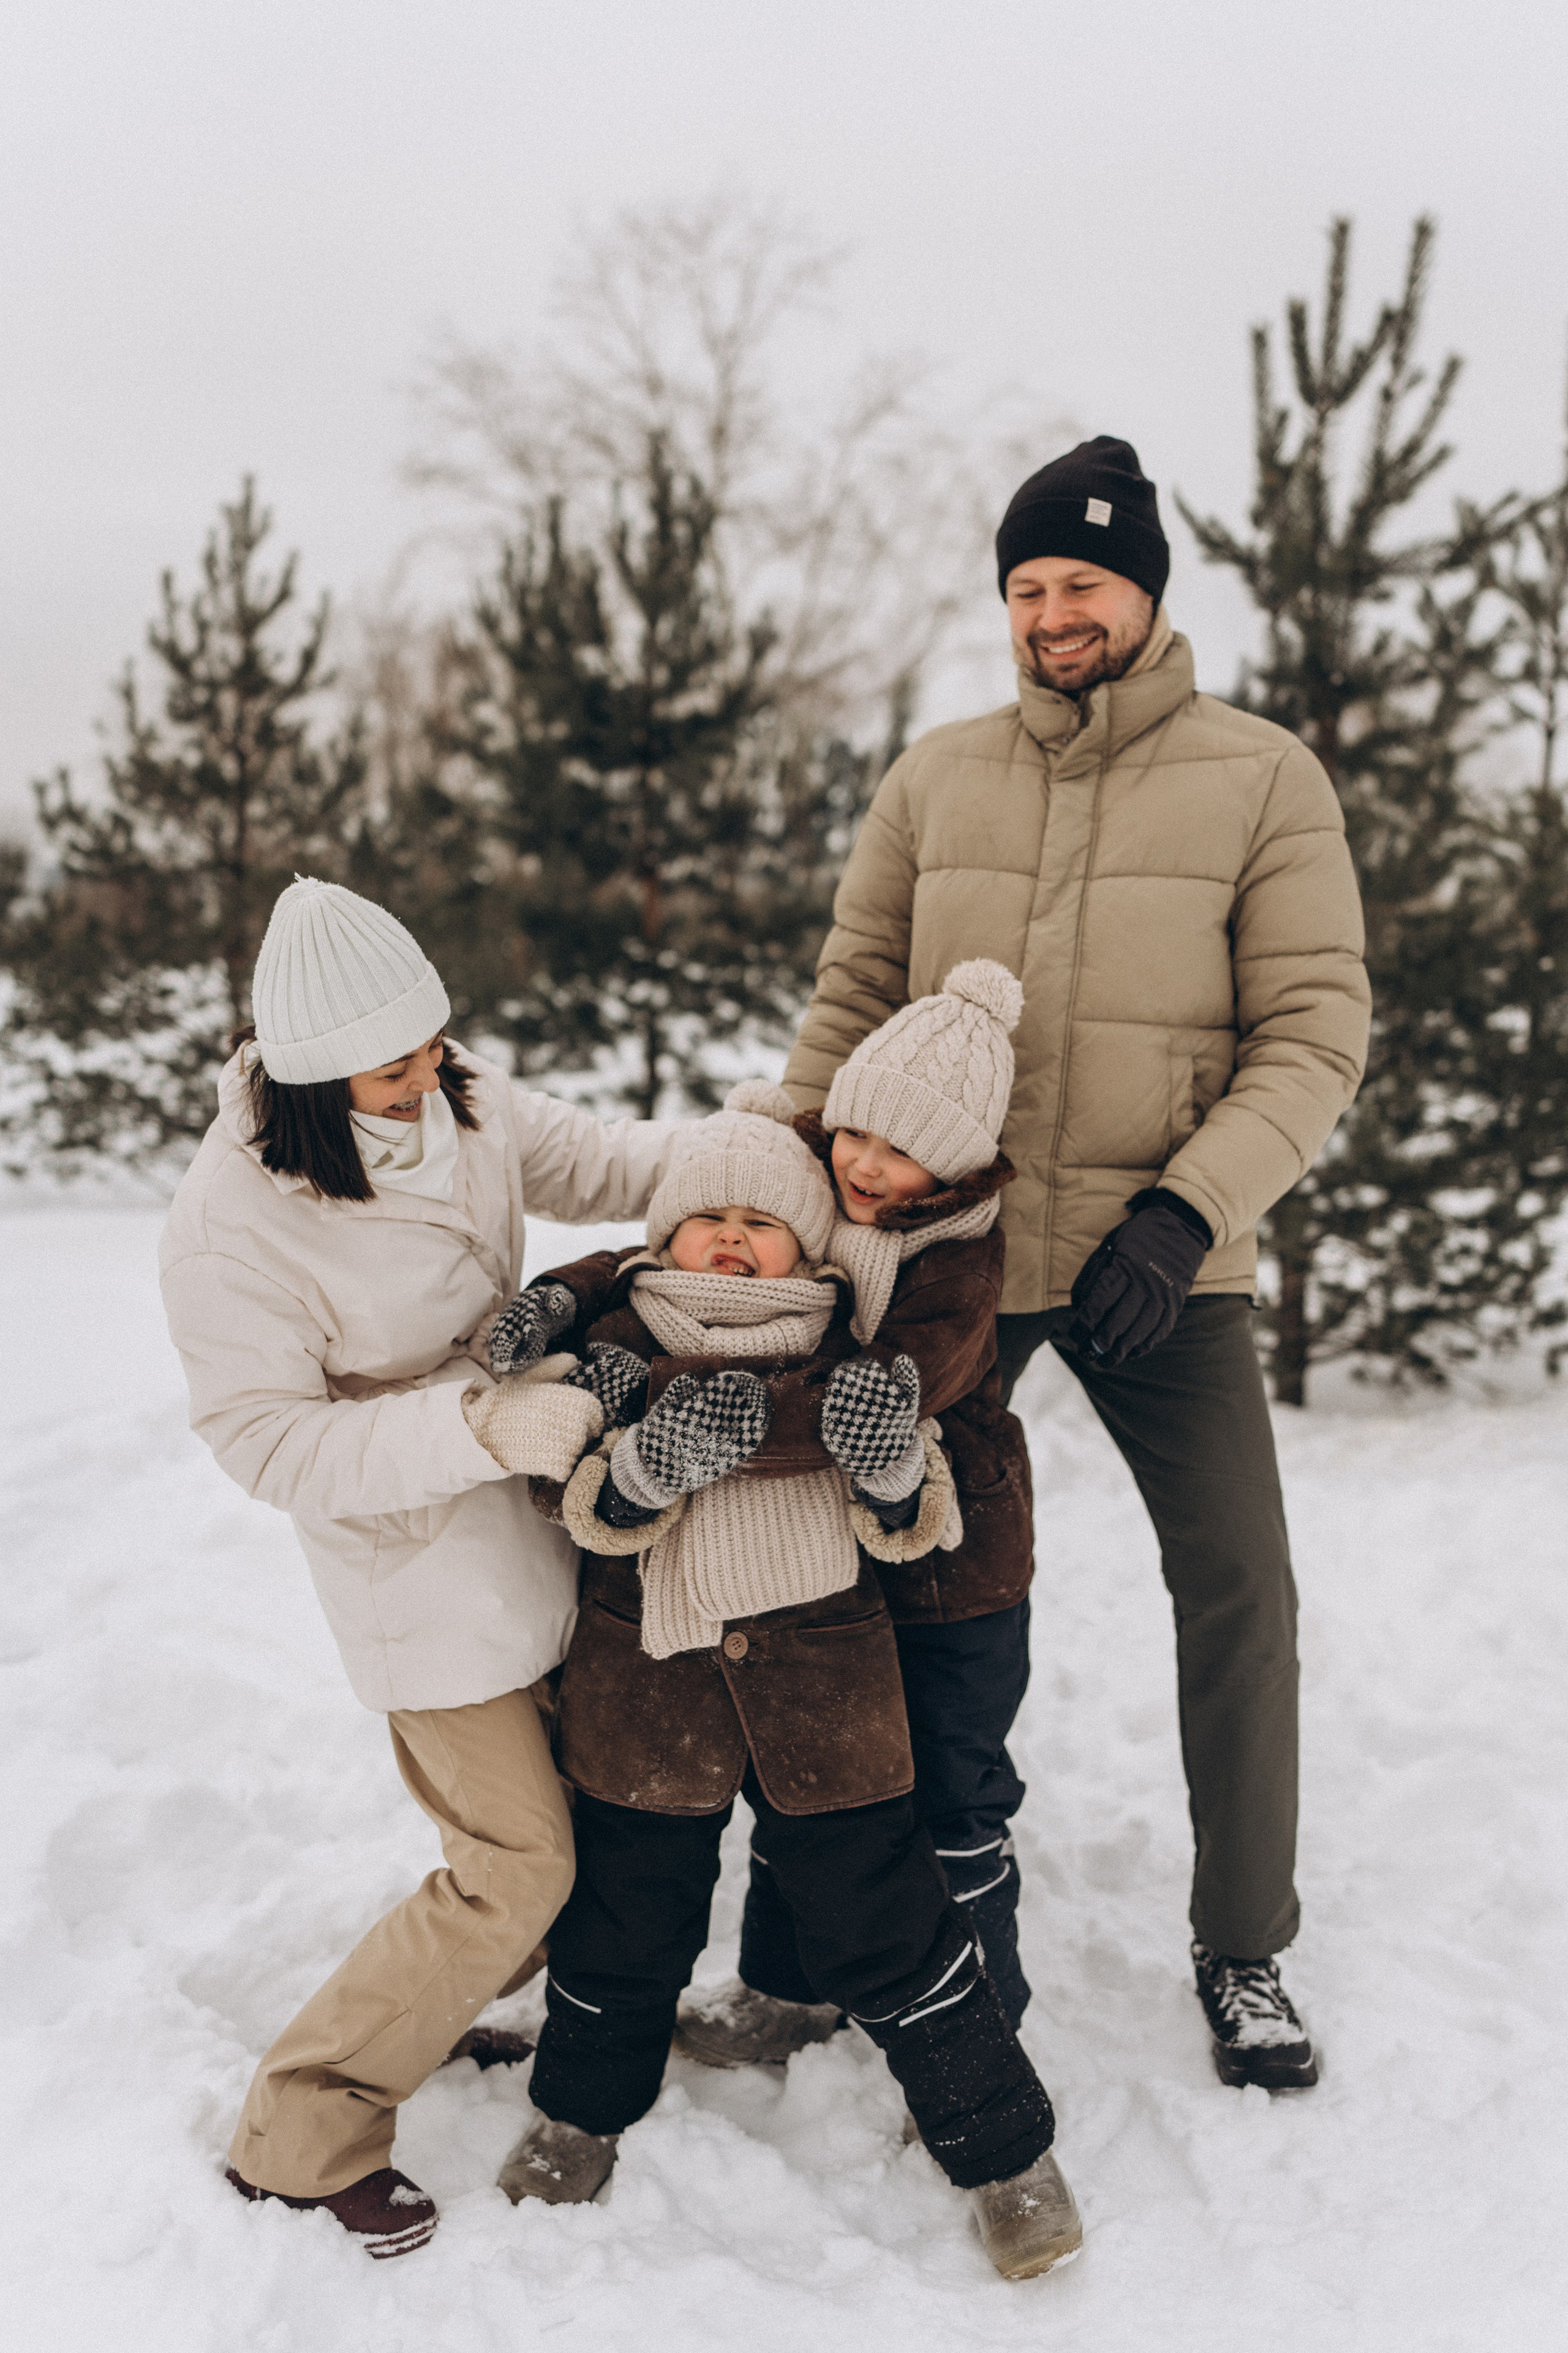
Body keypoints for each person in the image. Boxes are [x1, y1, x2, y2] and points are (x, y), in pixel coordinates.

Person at [783, 437, 1372, 2090]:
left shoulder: (1265, 780)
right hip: (942, 1246)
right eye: (1029, 587)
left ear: (1148, 593)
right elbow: (845, 1004)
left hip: (1159, 1264)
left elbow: (1317, 1032)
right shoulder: (934, 778)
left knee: (1241, 1582)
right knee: (842, 1561)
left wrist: (1188, 1211)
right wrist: (786, 1190)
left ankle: (1245, 1941)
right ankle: (856, 1915)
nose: (1055, 613)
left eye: (1084, 584)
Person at [159, 877, 679, 2257]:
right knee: (515, 1860)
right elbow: (264, 1441)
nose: (432, 1071)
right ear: (316, 1078)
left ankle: (473, 1999)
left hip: (531, 1501)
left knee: (562, 1811)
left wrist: (756, 1157)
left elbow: (598, 1159)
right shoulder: (232, 1222)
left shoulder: (450, 1091)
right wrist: (472, 1421)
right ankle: (300, 2125)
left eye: (437, 1041)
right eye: (396, 1062)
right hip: (412, 1556)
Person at [487, 1079, 1080, 2281]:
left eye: (759, 1223)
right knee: (624, 1918)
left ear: (806, 1246)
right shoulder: (609, 1351)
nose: (728, 1238)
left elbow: (914, 1514)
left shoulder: (850, 1354)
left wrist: (884, 1474)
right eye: (704, 1217)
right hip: (646, 1696)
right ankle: (578, 2111)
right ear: (661, 1238)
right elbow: (566, 1497)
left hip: (824, 1689)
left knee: (891, 1922)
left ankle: (1004, 2153)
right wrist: (643, 1475)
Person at [671, 961, 1041, 2049]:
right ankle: (784, 1993)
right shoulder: (821, 1195)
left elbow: (872, 1401)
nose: (866, 1166)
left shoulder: (959, 1258)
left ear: (958, 1163)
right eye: (853, 1134)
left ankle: (984, 2029)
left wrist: (704, 1427)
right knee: (814, 1772)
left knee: (952, 1799)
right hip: (844, 1566)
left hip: (956, 1577)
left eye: (901, 1148)